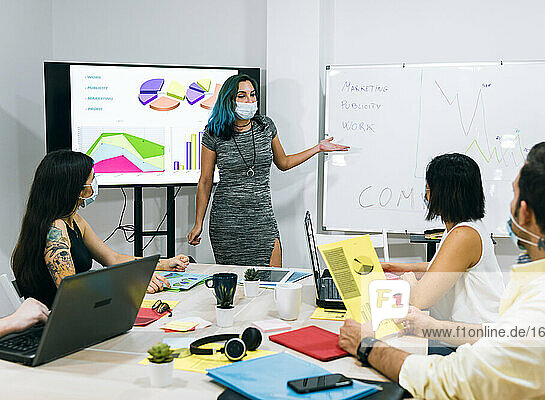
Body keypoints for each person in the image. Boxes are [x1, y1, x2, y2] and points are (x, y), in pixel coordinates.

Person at [339, 142, 545, 399]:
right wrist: (434, 327)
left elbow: (451, 380)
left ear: (524, 212)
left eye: (513, 194)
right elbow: (504, 333)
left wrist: (367, 347)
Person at [187, 74, 348, 267]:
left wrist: (318, 148)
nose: (250, 101)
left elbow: (284, 162)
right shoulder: (214, 132)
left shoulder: (266, 126)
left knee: (272, 282)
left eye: (253, 95)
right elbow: (205, 181)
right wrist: (198, 223)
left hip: (262, 219)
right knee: (238, 287)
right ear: (228, 100)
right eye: (242, 96)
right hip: (227, 222)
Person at [11, 150, 190, 309]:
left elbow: (112, 258)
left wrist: (162, 264)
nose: (95, 183)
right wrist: (131, 280)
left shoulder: (73, 220)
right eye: (92, 179)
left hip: (79, 314)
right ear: (77, 189)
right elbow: (71, 290)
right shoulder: (55, 228)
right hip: (58, 323)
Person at [383, 153, 505, 328]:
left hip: (476, 338)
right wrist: (396, 268)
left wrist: (407, 278)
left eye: (428, 188)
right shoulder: (462, 227)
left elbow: (420, 299)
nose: (426, 196)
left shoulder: (464, 235)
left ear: (442, 194)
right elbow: (442, 267)